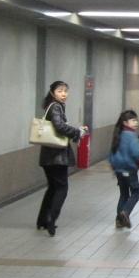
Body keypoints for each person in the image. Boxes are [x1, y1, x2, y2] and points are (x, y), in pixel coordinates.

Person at [36, 80, 87, 237]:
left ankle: (42, 220)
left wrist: (75, 130)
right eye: (60, 91)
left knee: (52, 188)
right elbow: (59, 126)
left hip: (47, 156)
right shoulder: (56, 107)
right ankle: (51, 219)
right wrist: (77, 132)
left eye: (65, 91)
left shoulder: (51, 106)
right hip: (57, 156)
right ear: (53, 93)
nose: (64, 94)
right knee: (62, 188)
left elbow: (58, 125)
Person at [109, 110, 139, 229]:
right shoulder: (131, 136)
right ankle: (125, 213)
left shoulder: (118, 135)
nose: (136, 123)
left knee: (124, 194)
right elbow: (136, 153)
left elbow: (111, 154)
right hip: (129, 170)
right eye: (133, 120)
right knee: (136, 193)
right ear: (125, 123)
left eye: (136, 120)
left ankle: (119, 221)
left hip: (119, 171)